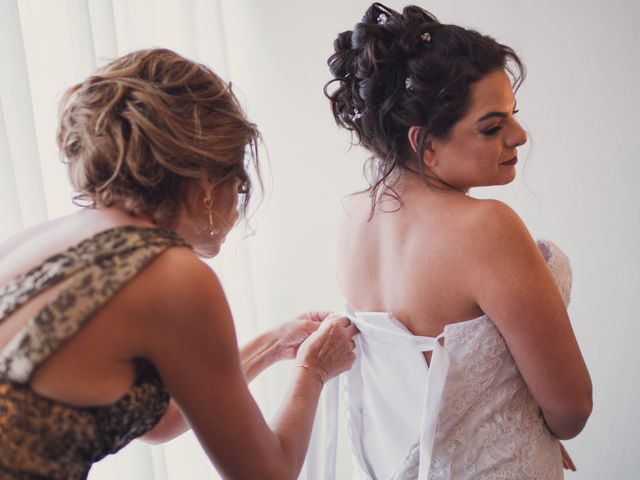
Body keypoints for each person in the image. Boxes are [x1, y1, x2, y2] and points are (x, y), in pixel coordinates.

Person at [0, 48, 358, 479]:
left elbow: (157, 420)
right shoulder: (170, 273)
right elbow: (267, 475)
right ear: (209, 185)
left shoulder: (41, 240)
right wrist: (314, 369)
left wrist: (274, 345)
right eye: (239, 182)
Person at [310, 3, 592, 479]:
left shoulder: (351, 217)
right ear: (427, 143)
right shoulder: (487, 228)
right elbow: (572, 409)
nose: (520, 136)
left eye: (513, 116)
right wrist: (520, 425)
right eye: (493, 126)